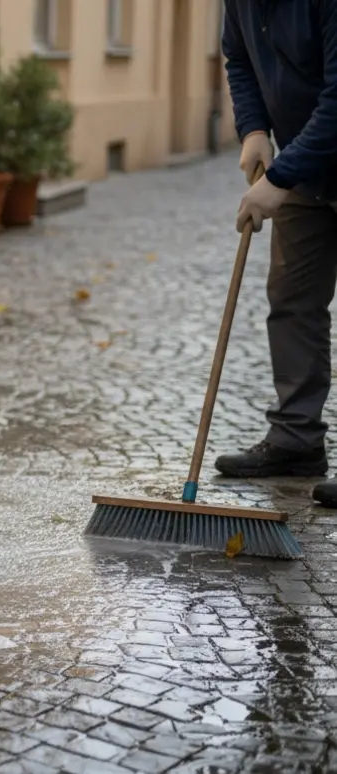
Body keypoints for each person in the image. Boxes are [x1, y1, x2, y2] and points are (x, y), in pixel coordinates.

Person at [212, 1, 337, 506]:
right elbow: (237, 58)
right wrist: (255, 129)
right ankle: (295, 440)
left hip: (304, 161)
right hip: (308, 171)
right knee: (292, 302)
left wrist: (279, 177)